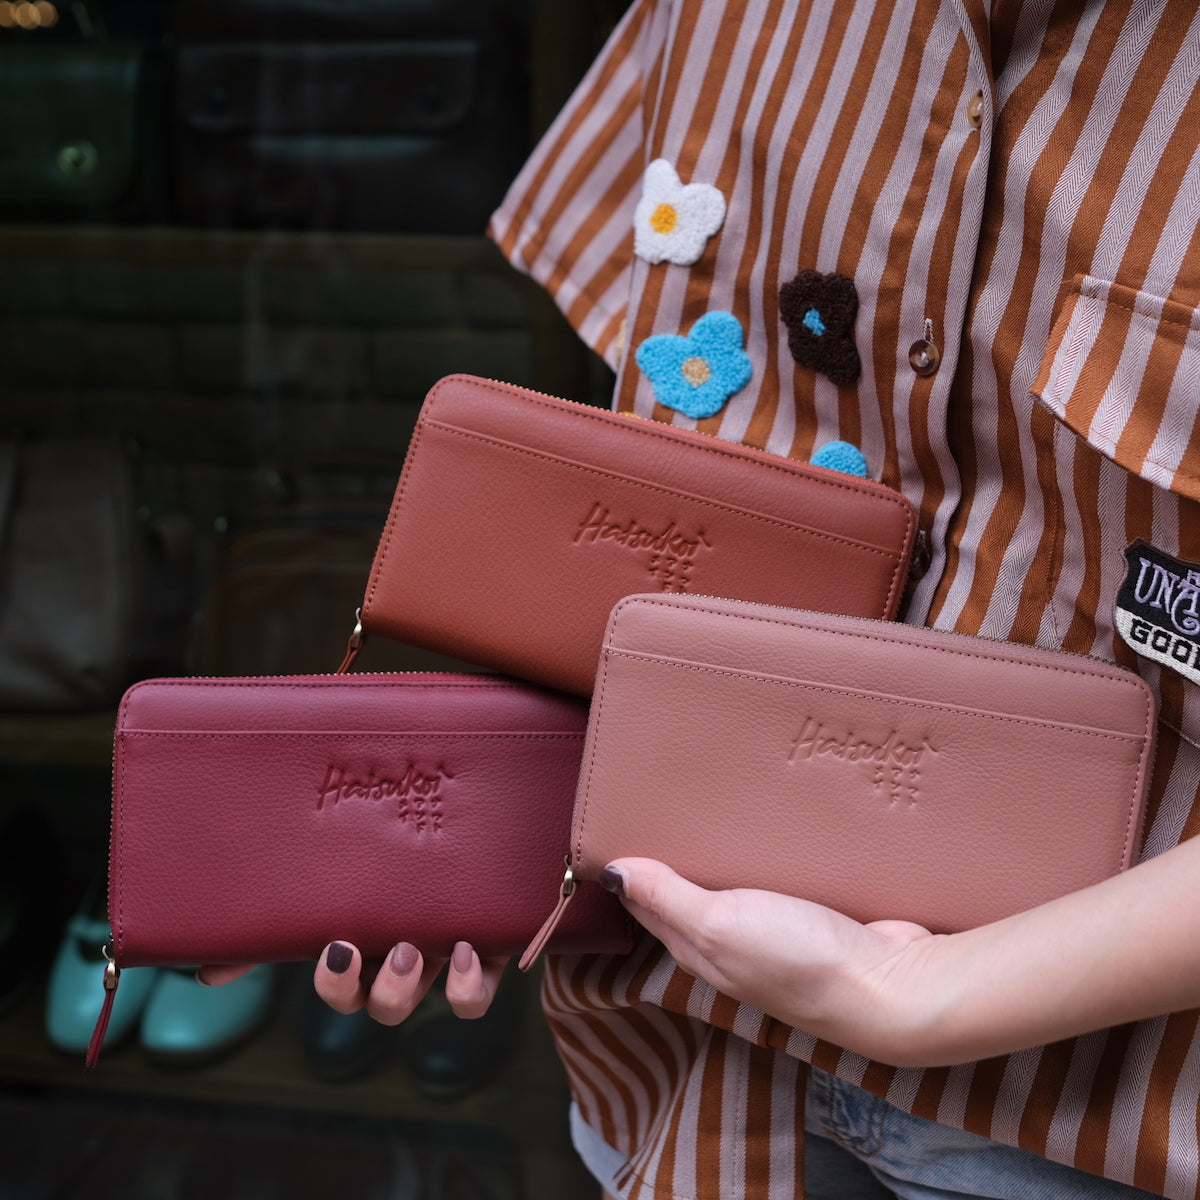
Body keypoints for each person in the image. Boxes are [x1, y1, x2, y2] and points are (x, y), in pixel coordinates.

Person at [204, 2, 1200, 1195]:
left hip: (1088, 1124)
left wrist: (921, 994)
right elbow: (650, 473)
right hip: (670, 1070)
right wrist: (466, 815)